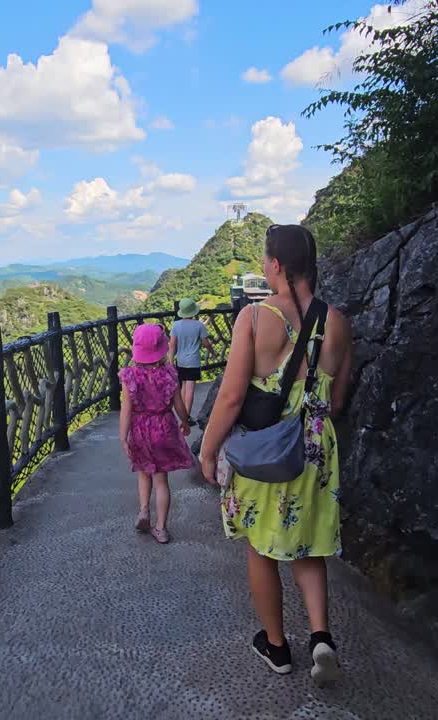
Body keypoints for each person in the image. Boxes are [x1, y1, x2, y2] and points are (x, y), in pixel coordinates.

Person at [198, 224, 353, 686]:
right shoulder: (337, 321)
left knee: (262, 547)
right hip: (315, 448)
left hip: (266, 448)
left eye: (266, 260)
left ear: (277, 266)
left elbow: (229, 397)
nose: (264, 267)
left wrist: (207, 453)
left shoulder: (254, 318)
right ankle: (321, 637)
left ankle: (277, 645)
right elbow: (338, 400)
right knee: (307, 543)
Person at [119, 323, 195, 544]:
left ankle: (144, 511)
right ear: (162, 348)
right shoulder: (170, 373)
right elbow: (179, 405)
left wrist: (123, 437)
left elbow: (126, 409)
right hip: (164, 428)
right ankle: (161, 528)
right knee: (161, 480)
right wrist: (185, 422)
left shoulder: (130, 376)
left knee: (143, 472)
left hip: (139, 429)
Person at [169, 298, 213, 420]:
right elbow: (206, 343)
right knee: (190, 388)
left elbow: (172, 344)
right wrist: (212, 352)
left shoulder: (176, 325)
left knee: (183, 386)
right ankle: (187, 416)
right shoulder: (199, 325)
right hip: (193, 360)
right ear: (194, 311)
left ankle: (182, 413)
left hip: (181, 360)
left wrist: (171, 360)